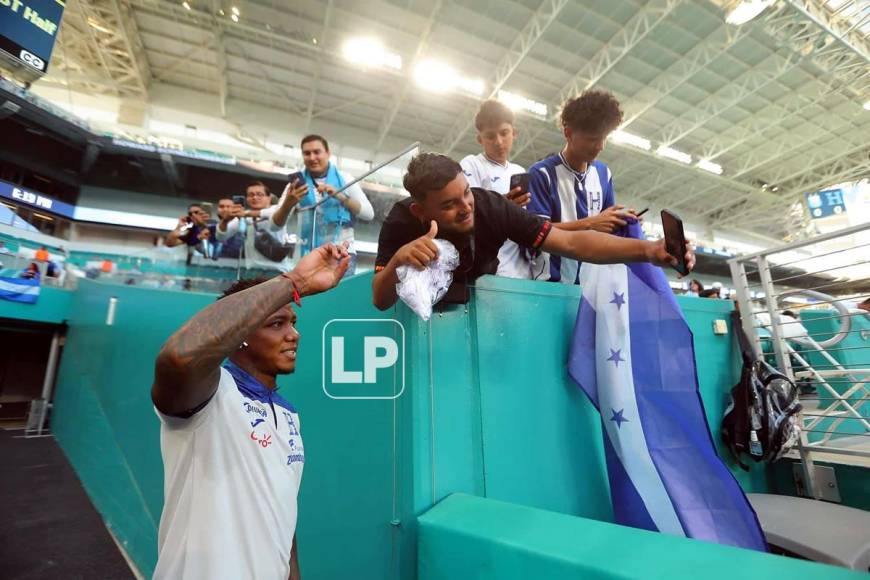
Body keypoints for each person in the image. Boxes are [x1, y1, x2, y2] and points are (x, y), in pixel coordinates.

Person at [151, 242, 351, 580]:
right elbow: (179, 357)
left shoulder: (288, 415)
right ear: (239, 335)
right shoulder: (210, 396)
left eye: (293, 322)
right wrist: (294, 282)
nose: (294, 335)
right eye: (277, 324)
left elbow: (281, 512)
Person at [372, 153, 694, 310]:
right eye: (449, 205)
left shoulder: (491, 206)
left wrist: (650, 251)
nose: (466, 207)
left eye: (466, 193)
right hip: (418, 324)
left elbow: (568, 241)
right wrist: (399, 260)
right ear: (421, 210)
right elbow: (379, 299)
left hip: (479, 309)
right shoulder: (402, 222)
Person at [527, 89, 641, 284]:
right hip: (550, 287)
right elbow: (533, 233)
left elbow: (607, 230)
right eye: (593, 139)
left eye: (604, 138)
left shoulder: (604, 174)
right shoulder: (541, 174)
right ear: (568, 133)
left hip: (593, 290)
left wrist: (624, 222)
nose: (600, 146)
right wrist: (590, 224)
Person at [459, 100, 532, 278]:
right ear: (480, 139)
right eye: (490, 136)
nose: (499, 142)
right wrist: (503, 206)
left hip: (522, 268)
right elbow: (467, 212)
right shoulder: (472, 164)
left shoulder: (519, 171)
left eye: (504, 133)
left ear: (514, 133)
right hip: (489, 268)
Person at [295, 135, 374, 276]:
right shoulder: (296, 183)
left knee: (339, 297)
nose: (312, 157)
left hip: (341, 252)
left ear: (328, 153)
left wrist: (340, 195)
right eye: (307, 153)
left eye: (317, 152)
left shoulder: (345, 178)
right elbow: (275, 223)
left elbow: (368, 214)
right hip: (309, 254)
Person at [216, 181, 306, 272]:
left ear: (269, 198)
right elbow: (221, 236)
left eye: (260, 194)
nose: (255, 197)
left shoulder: (277, 210)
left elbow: (271, 213)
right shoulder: (244, 217)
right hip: (253, 272)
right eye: (251, 195)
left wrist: (247, 214)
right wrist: (225, 220)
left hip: (278, 271)